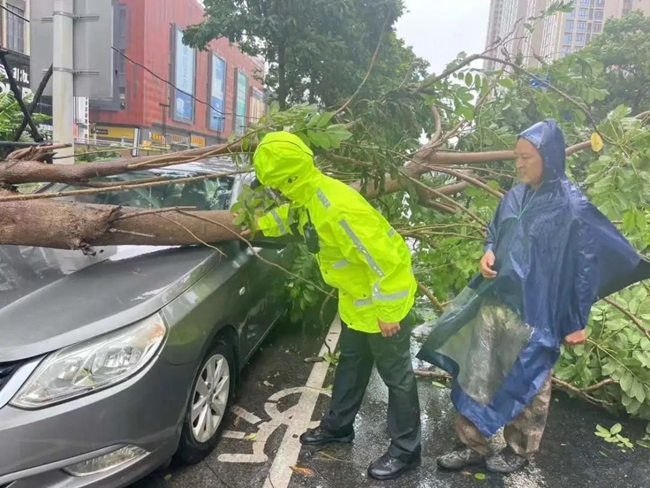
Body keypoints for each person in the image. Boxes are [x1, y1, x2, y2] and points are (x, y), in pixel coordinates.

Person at [417, 119, 650, 474]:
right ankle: (471, 445)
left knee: (531, 378)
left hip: (541, 310)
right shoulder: (514, 196)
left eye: (527, 157)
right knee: (477, 372)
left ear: (550, 157)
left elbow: (586, 267)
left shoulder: (572, 207)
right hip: (497, 302)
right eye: (516, 156)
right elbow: (495, 231)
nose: (519, 164)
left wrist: (576, 320)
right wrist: (488, 252)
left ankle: (519, 449)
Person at [250, 131, 421, 481]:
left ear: (290, 178)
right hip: (358, 300)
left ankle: (406, 451)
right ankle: (339, 428)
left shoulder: (335, 207)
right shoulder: (308, 198)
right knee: (351, 367)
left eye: (277, 184)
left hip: (384, 302)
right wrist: (253, 224)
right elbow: (292, 220)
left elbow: (386, 261)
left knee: (397, 379)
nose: (276, 192)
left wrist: (387, 314)